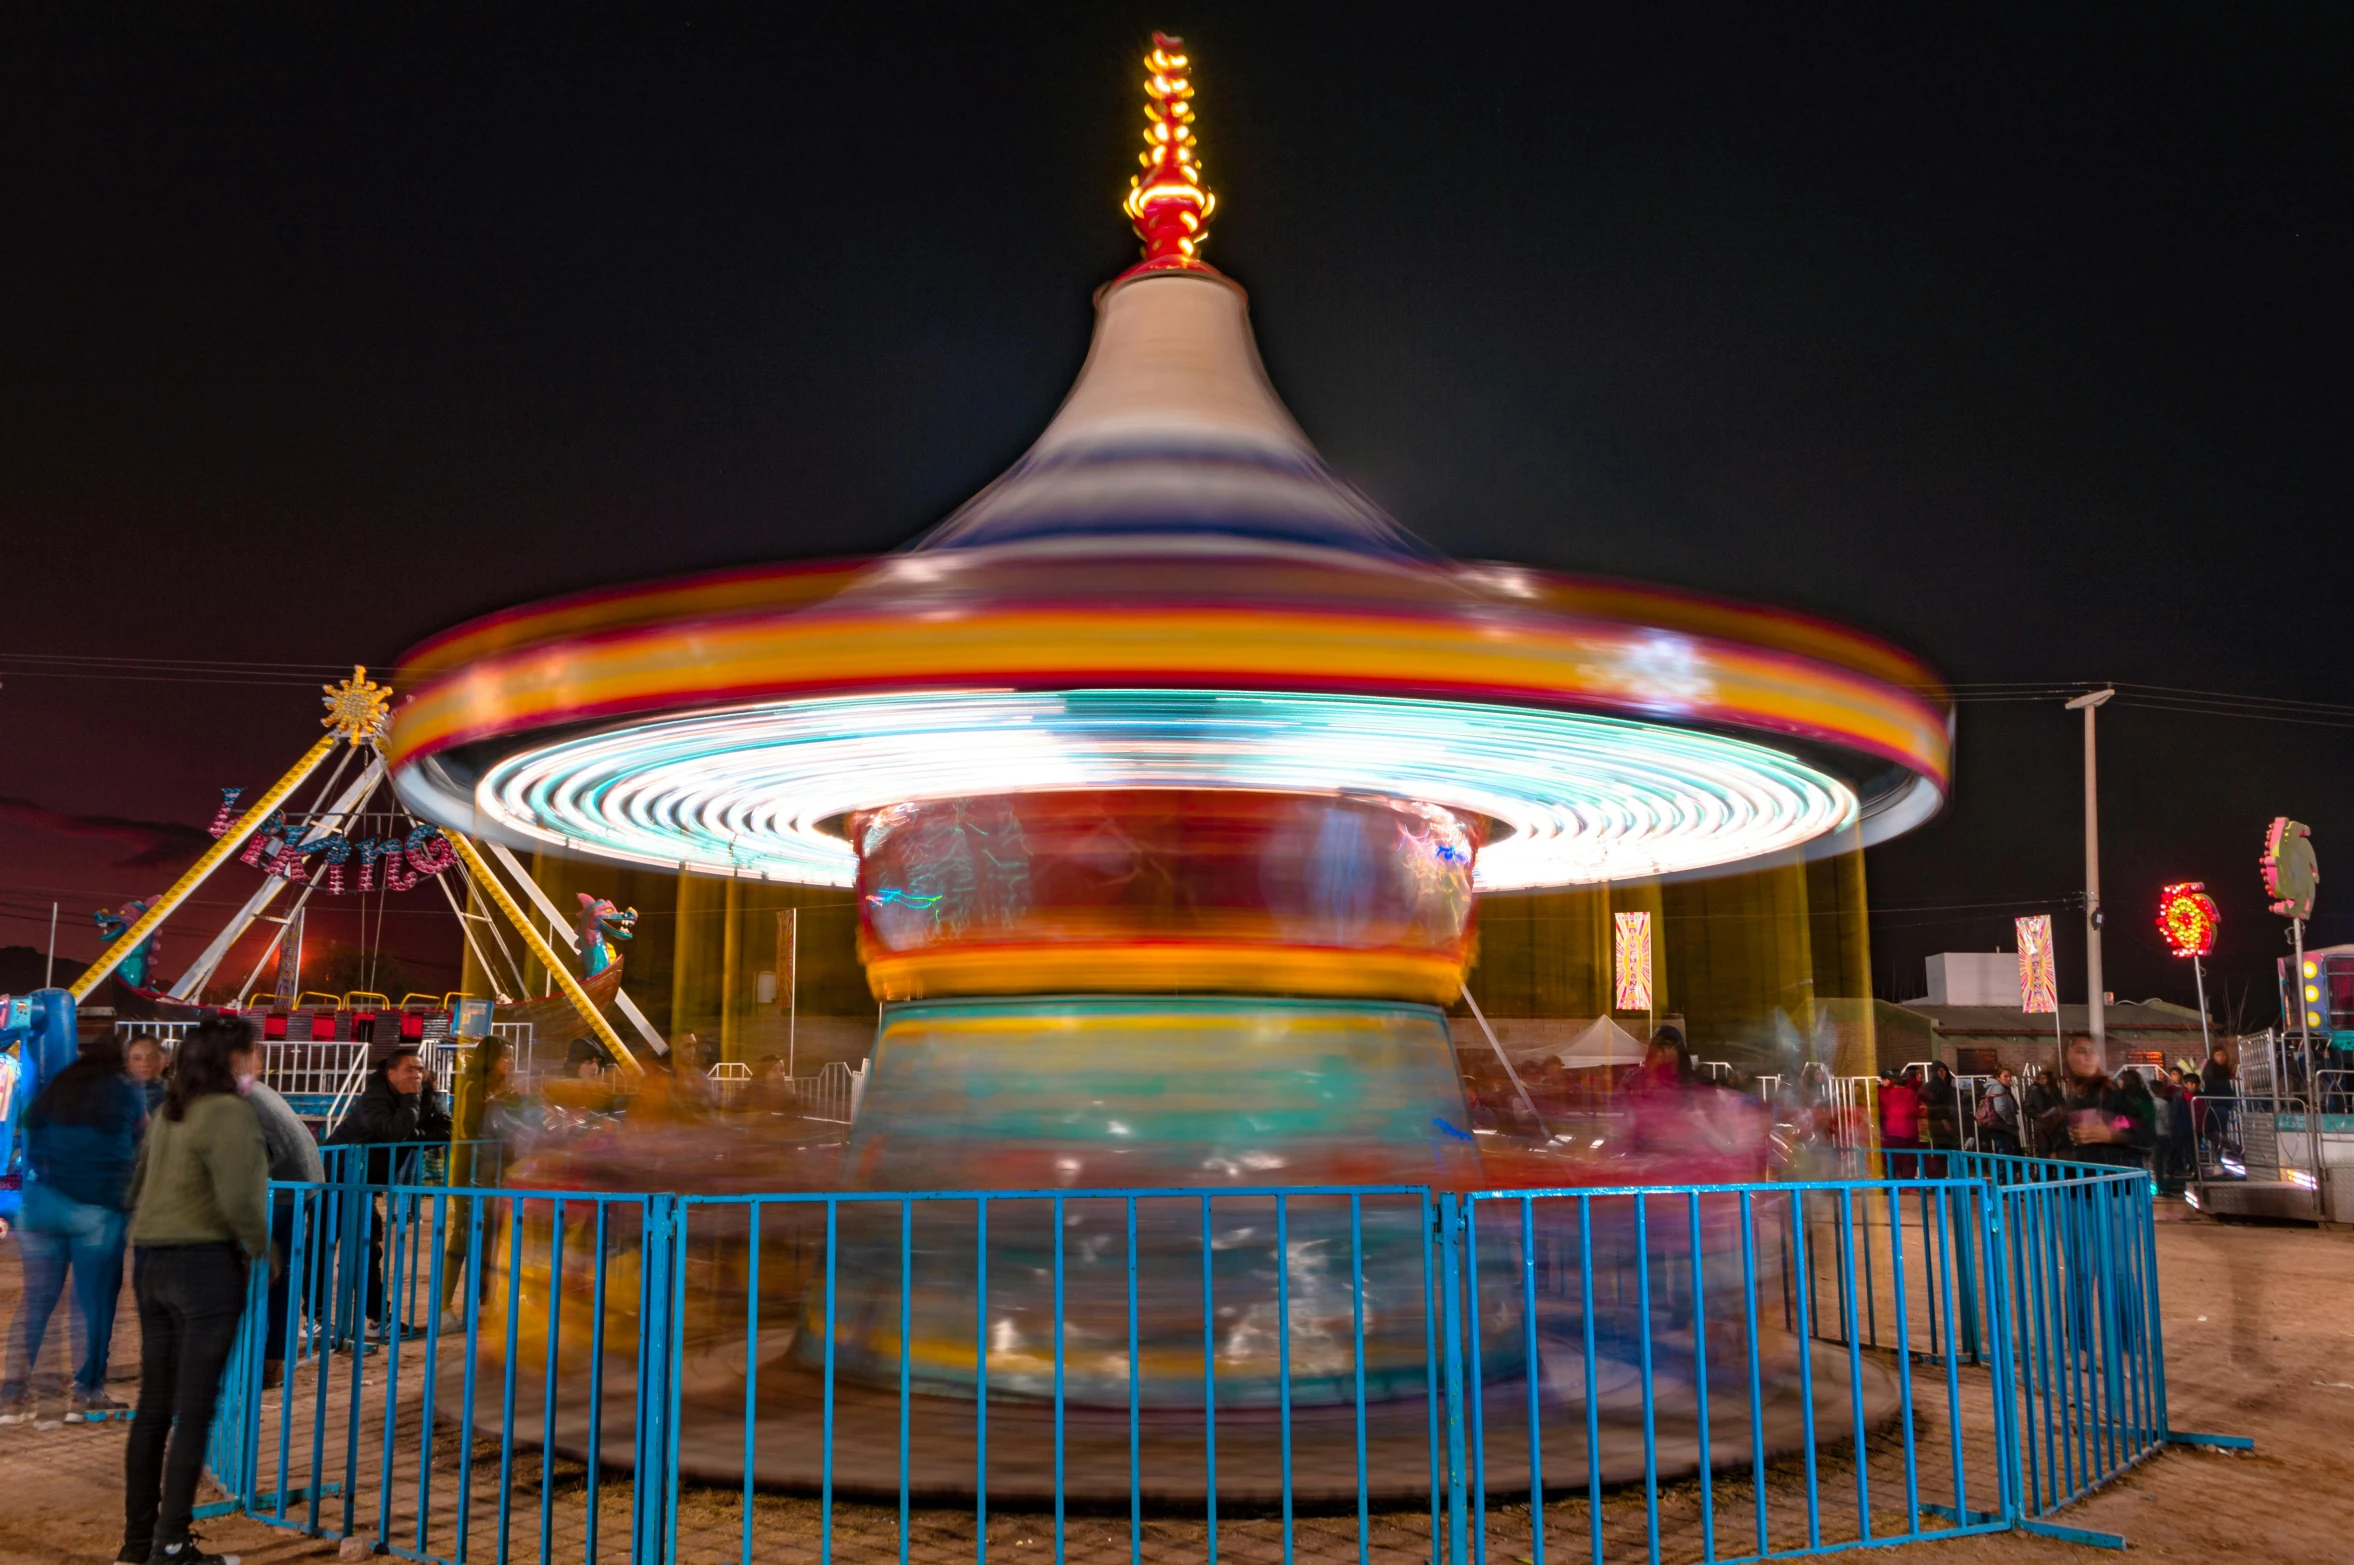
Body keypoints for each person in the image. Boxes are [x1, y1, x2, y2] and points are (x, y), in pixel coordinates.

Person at [120, 1015, 269, 1565]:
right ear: (233, 1060)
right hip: (204, 1267)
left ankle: (137, 1545)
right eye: (253, 1052)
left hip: (151, 1262)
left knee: (153, 1409)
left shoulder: (167, 1113)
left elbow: (135, 1185)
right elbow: (240, 1198)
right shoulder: (229, 1112)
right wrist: (262, 1248)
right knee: (195, 1410)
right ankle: (174, 1544)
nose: (258, 1061)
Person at [0, 1031, 146, 1428]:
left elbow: (29, 1127)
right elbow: (143, 1138)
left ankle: (13, 1398)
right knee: (92, 1305)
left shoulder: (59, 1088)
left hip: (43, 1206)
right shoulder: (124, 1092)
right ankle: (84, 1395)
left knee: (36, 1302)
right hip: (96, 1210)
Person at [324, 1047, 452, 1332]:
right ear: (389, 1072)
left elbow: (447, 1130)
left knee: (368, 1248)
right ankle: (317, 1318)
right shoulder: (375, 1095)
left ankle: (377, 1317)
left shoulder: (425, 1094)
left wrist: (411, 1133)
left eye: (420, 1070)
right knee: (323, 1245)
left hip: (366, 1182)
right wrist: (409, 1101)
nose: (417, 1075)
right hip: (335, 1177)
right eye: (410, 1069)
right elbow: (392, 1131)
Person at [242, 1071, 322, 1389]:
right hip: (299, 1187)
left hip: (277, 1191)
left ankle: (243, 1364)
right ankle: (273, 1362)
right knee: (281, 1275)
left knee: (249, 1274)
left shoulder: (231, 1097)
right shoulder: (257, 1089)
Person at [1878, 1067, 1923, 1177]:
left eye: (1887, 1079)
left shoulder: (1889, 1093)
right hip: (1900, 1131)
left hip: (1892, 1131)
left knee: (1896, 1158)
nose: (1884, 1081)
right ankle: (1900, 1180)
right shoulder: (1908, 1092)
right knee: (1901, 1158)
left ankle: (1895, 1180)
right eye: (1883, 1079)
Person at [1976, 1066, 2022, 1157]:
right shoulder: (1998, 1088)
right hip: (2001, 1126)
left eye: (2010, 1076)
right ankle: (2003, 1171)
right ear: (1997, 1077)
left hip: (1997, 1126)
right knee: (2005, 1152)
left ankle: (2002, 1170)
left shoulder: (1994, 1087)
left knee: (2003, 1151)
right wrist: (2009, 1122)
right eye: (2005, 1076)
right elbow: (2000, 1108)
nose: (2009, 1079)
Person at [124, 1036, 169, 1116]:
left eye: (152, 1057)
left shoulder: (174, 1091)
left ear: (166, 1060)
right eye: (137, 1058)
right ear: (127, 1064)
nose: (145, 1063)